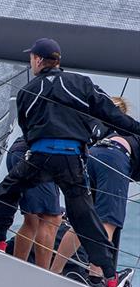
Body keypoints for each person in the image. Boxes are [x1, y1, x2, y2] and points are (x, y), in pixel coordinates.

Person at [0, 38, 140, 287]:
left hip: (37, 158)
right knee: (85, 219)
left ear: (37, 60)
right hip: (70, 161)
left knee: (5, 192)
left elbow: (27, 129)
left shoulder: (28, 90)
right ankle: (111, 279)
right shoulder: (80, 83)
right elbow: (112, 114)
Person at [51, 97, 140, 274]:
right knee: (107, 222)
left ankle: (54, 272)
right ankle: (96, 277)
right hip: (115, 157)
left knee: (81, 223)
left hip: (92, 155)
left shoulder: (112, 129)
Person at [4, 136, 63, 270]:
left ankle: (16, 270)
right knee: (51, 218)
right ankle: (43, 277)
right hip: (37, 155)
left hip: (19, 150)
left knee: (32, 220)